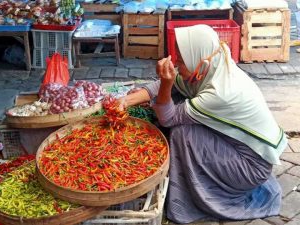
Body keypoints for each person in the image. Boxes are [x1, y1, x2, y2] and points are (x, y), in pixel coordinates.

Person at [118, 25, 287, 223]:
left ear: (199, 59)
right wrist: (125, 101)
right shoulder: (214, 63)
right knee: (178, 97)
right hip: (243, 150)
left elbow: (168, 118)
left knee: (182, 133)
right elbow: (172, 83)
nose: (178, 66)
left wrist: (166, 83)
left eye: (181, 61)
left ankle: (194, 197)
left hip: (250, 168)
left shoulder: (221, 93)